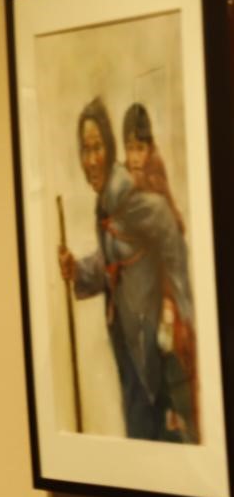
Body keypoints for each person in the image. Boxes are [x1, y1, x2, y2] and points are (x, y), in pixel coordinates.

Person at [58, 97, 195, 442]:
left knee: (159, 440)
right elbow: (113, 260)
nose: (91, 159)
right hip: (129, 348)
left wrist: (183, 306)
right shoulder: (106, 202)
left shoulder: (125, 196)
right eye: (85, 150)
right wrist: (78, 269)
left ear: (109, 147)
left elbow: (167, 224)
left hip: (149, 354)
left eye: (97, 147)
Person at [121, 102, 197, 441]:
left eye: (140, 147)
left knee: (174, 397)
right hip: (139, 313)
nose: (135, 156)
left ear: (149, 148)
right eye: (129, 147)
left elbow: (172, 251)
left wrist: (169, 305)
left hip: (166, 312)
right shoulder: (124, 192)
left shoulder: (155, 186)